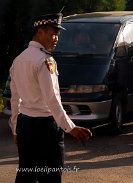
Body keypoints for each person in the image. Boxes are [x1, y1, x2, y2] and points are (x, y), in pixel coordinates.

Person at [9, 13, 92, 183]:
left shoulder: (18, 60)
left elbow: (15, 99)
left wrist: (16, 128)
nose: (56, 39)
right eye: (53, 33)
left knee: (26, 174)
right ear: (40, 32)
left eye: (58, 35)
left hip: (25, 126)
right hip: (45, 128)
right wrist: (70, 128)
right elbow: (52, 99)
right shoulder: (45, 60)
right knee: (50, 175)